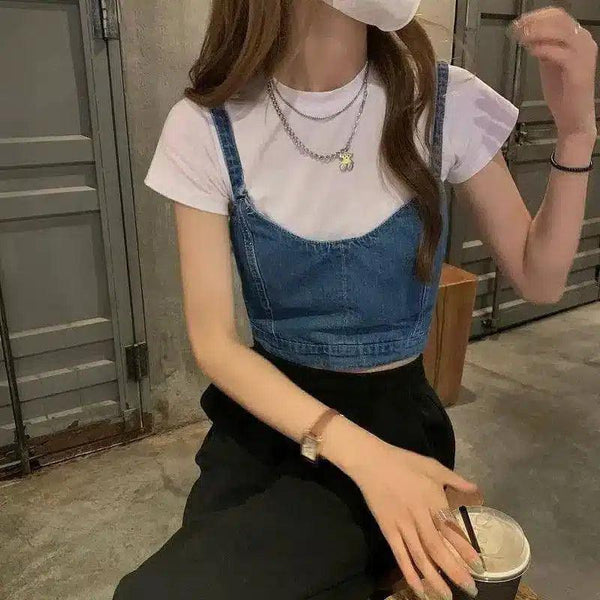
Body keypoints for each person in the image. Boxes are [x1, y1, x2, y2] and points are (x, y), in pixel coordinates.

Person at [114, 1, 597, 599]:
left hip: (395, 428)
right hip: (266, 425)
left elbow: (540, 278)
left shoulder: (441, 102)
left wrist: (577, 132)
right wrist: (362, 458)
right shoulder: (206, 125)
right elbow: (214, 343)